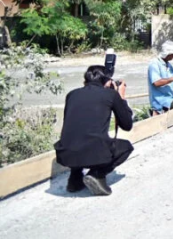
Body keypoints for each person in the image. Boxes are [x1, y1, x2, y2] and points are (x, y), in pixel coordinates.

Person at [54, 66, 134, 196]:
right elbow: (127, 125)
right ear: (108, 82)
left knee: (79, 137)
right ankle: (96, 174)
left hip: (65, 154)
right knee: (126, 147)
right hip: (94, 152)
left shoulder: (71, 94)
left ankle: (75, 178)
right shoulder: (111, 94)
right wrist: (121, 97)